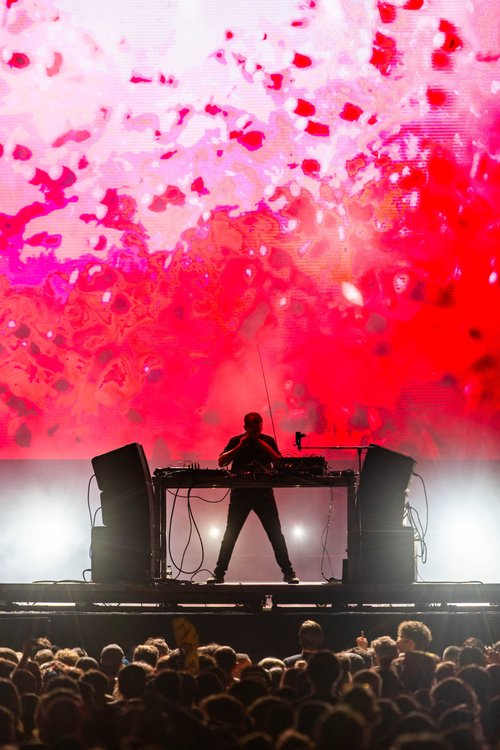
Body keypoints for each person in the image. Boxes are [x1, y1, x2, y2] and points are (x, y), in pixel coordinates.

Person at [207, 412, 298, 584]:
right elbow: (221, 461)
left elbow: (279, 462)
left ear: (261, 426)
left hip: (263, 493)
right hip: (241, 493)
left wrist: (261, 444)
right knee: (231, 534)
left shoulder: (268, 441)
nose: (255, 431)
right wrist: (240, 446)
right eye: (252, 428)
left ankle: (289, 572)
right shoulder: (237, 441)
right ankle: (219, 573)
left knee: (275, 534)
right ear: (245, 427)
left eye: (257, 428)